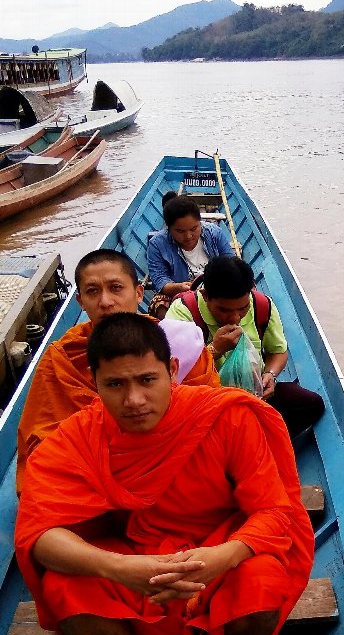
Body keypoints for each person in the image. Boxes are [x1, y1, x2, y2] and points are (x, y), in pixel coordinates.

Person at [15, 314, 314, 635]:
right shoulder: (76, 438)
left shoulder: (225, 416)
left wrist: (221, 558)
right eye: (115, 384)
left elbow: (274, 513)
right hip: (132, 558)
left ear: (172, 370)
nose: (134, 400)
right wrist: (121, 568)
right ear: (94, 383)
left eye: (147, 380)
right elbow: (40, 535)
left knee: (266, 572)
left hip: (217, 548)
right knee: (64, 584)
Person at [16, 249, 220, 494]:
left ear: (138, 293)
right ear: (80, 302)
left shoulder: (182, 344)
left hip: (174, 473)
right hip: (92, 478)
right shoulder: (65, 356)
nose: (105, 302)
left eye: (116, 288)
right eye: (93, 291)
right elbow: (43, 438)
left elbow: (210, 421)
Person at [166, 255, 325, 438]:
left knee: (309, 403)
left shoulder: (262, 305)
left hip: (255, 397)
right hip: (207, 407)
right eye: (224, 310)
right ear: (205, 296)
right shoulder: (183, 313)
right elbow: (172, 377)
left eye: (242, 308)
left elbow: (278, 352)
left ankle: (257, 442)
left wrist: (270, 375)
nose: (235, 318)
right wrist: (214, 350)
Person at [146, 196, 235, 299]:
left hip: (217, 289)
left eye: (194, 228)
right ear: (168, 227)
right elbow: (159, 280)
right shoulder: (157, 244)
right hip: (182, 296)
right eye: (180, 231)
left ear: (200, 222)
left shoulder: (214, 233)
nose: (188, 236)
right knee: (158, 302)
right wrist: (178, 287)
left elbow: (230, 262)